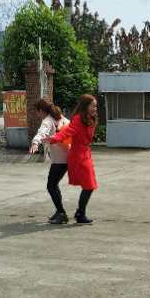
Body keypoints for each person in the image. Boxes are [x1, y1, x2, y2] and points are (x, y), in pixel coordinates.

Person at [47, 94, 99, 224]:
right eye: (93, 106)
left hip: (86, 154)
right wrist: (54, 138)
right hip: (78, 156)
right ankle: (80, 214)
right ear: (85, 106)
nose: (95, 108)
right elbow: (67, 132)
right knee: (89, 185)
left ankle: (80, 213)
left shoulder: (91, 118)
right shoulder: (78, 119)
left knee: (90, 185)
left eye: (96, 106)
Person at [30, 99, 71, 224]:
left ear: (41, 111)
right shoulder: (61, 118)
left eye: (37, 112)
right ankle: (59, 212)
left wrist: (35, 142)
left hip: (59, 160)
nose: (37, 115)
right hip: (67, 157)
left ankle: (61, 213)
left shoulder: (47, 120)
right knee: (54, 185)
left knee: (51, 186)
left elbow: (42, 132)